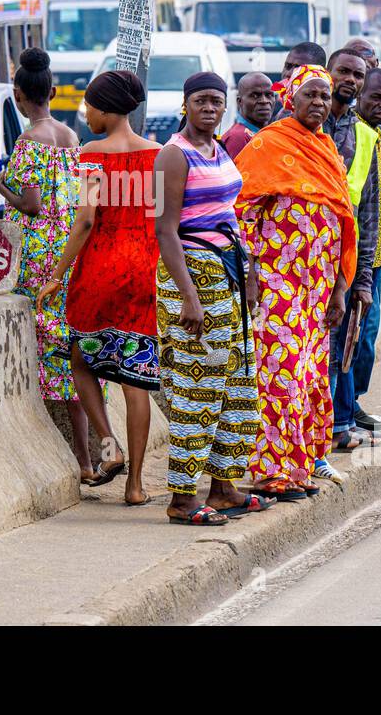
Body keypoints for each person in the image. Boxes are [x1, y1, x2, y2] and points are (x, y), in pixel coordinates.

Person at [37, 70, 159, 507]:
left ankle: (110, 447)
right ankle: (137, 486)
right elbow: (160, 222)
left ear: (106, 109)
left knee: (81, 359)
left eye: (89, 105)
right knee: (137, 380)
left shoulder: (91, 154)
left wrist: (56, 274)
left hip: (100, 271)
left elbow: (86, 220)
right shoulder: (157, 154)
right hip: (144, 271)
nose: (85, 112)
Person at [235, 64, 358, 498]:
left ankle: (300, 468)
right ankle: (271, 472)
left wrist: (340, 287)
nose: (320, 103)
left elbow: (343, 220)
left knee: (307, 377)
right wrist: (250, 273)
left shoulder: (326, 148)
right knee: (278, 374)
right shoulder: (268, 144)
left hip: (318, 286)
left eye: (325, 96)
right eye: (311, 95)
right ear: (291, 98)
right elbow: (241, 212)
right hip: (276, 282)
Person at [156, 72, 268, 525]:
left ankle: (222, 488)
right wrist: (189, 297)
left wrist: (250, 275)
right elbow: (165, 230)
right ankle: (182, 499)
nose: (209, 108)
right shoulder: (173, 154)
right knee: (197, 388)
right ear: (186, 104)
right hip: (193, 276)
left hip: (228, 273)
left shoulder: (218, 148)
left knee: (235, 384)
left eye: (216, 101)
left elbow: (229, 215)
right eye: (200, 100)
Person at [0, 49, 90, 478]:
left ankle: (66, 458)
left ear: (18, 96)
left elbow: (31, 205)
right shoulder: (72, 137)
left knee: (40, 350)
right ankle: (88, 458)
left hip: (38, 259)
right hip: (70, 254)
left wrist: (4, 190)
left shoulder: (28, 142)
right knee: (72, 352)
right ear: (52, 92)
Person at [323, 48, 381, 449]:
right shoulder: (299, 126)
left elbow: (369, 214)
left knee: (344, 347)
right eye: (342, 71)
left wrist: (362, 278)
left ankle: (337, 424)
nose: (350, 79)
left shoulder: (364, 136)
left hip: (343, 266)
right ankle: (314, 432)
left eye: (357, 74)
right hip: (296, 261)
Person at [340, 68, 381, 429]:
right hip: (355, 258)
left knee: (365, 338)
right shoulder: (353, 137)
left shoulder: (380, 136)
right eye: (376, 97)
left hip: (374, 259)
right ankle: (342, 416)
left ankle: (352, 405)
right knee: (351, 340)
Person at [219, 72, 275, 158]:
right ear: (239, 101)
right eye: (255, 96)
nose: (264, 101)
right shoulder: (238, 137)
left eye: (269, 95)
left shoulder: (268, 132)